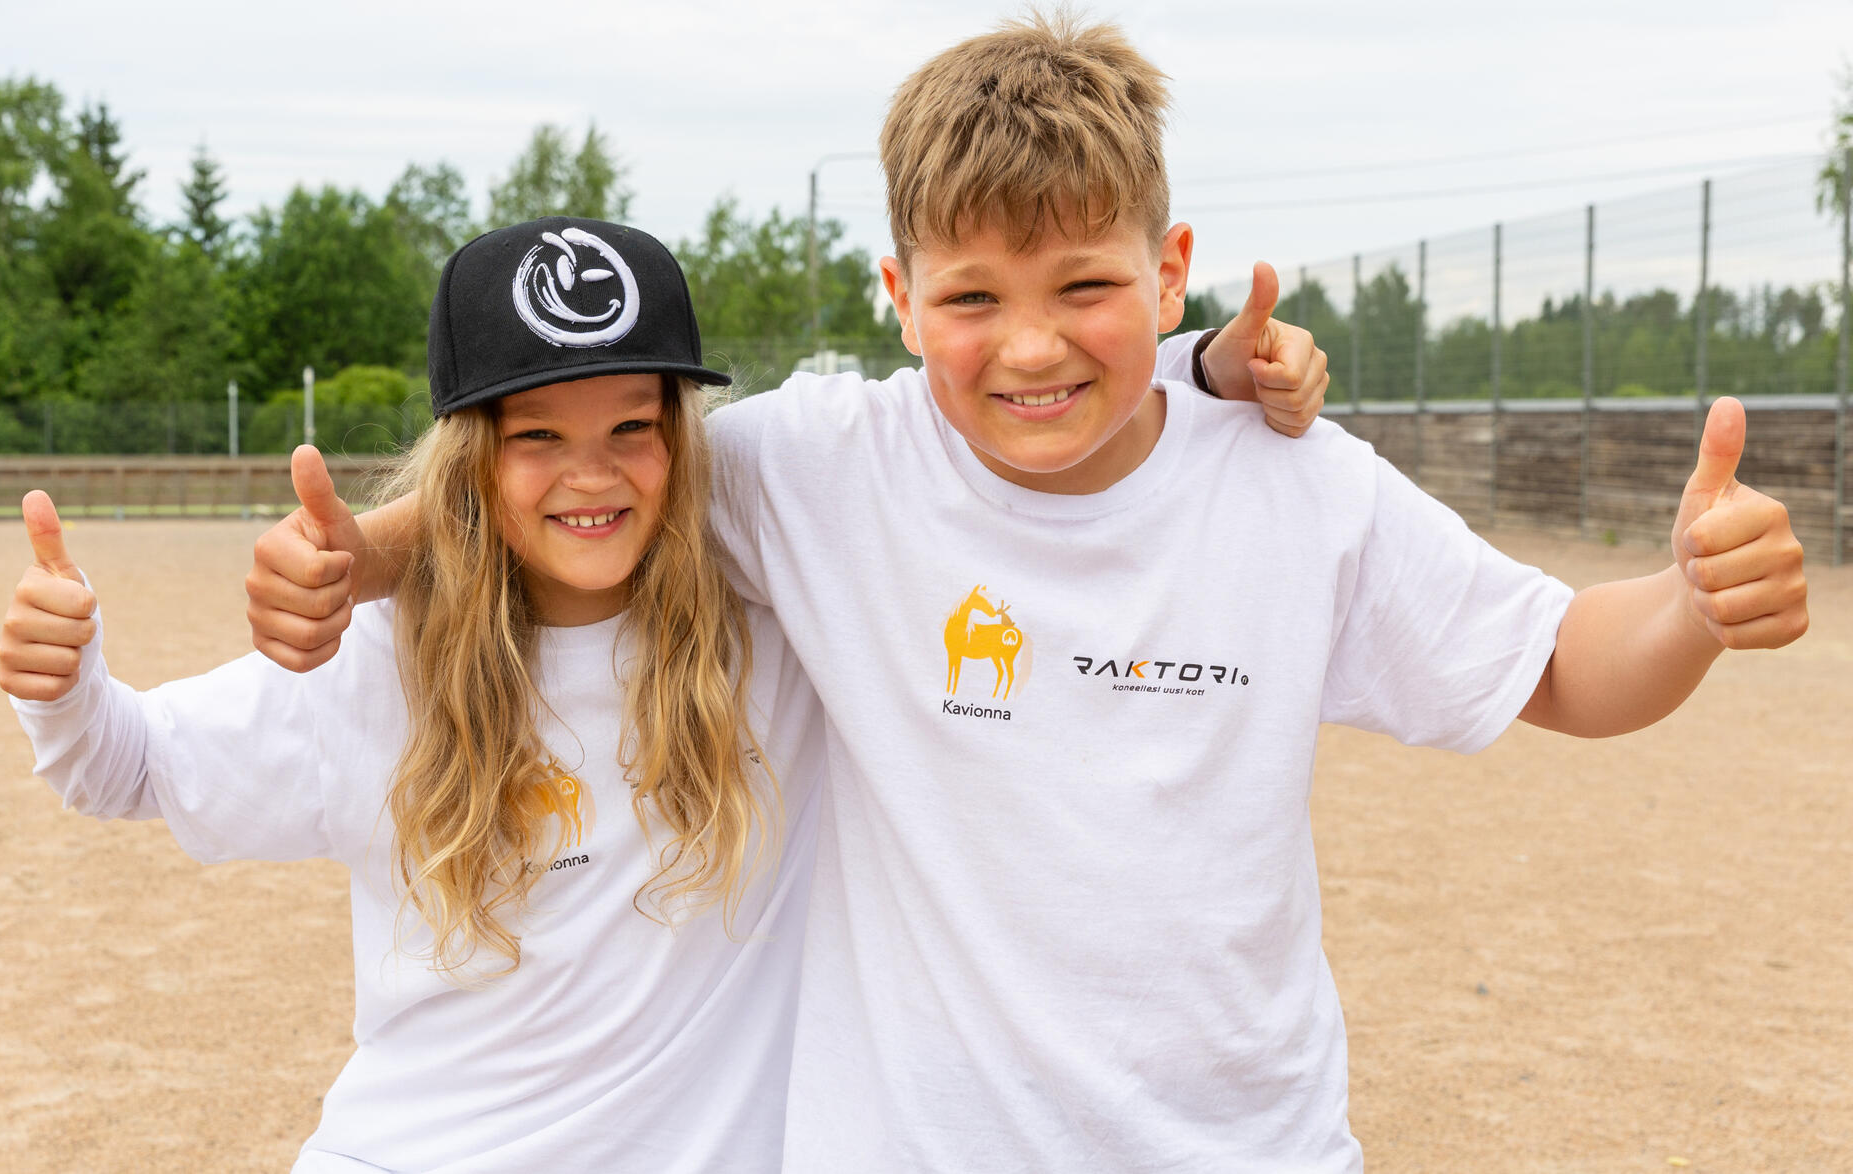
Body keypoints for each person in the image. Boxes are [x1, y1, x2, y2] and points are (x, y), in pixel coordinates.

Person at [244, 13, 1808, 1172]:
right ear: (899, 294)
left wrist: (1690, 598)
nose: (1033, 344)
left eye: (1088, 287)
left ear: (1172, 268)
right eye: (973, 295)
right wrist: (359, 560)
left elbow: (1562, 666)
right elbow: (593, 474)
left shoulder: (1295, 483)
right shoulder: (826, 466)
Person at [0, 218, 832, 1173]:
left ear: (682, 435)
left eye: (632, 427)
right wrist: (63, 684)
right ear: (469, 456)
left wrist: (380, 548)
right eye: (538, 434)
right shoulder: (381, 656)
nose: (592, 473)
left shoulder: (784, 625)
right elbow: (129, 764)